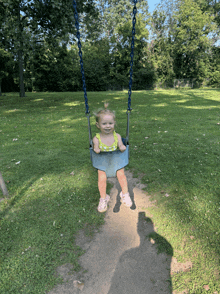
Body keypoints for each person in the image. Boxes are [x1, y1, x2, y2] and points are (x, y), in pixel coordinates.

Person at [93, 103, 132, 213]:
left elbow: (121, 145)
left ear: (114, 123)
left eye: (110, 123)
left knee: (122, 175)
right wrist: (96, 149)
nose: (108, 126)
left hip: (116, 162)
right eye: (104, 123)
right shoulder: (96, 138)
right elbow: (95, 147)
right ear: (98, 125)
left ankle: (125, 194)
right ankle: (103, 197)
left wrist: (122, 146)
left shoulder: (117, 136)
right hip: (102, 163)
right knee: (101, 178)